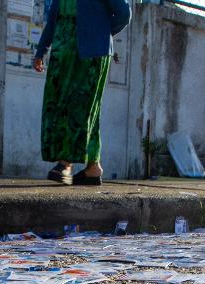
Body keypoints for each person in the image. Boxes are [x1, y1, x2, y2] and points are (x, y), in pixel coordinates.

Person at [34, 0, 132, 186]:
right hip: (62, 54)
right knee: (58, 105)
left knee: (81, 105)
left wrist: (100, 32)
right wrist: (41, 51)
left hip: (91, 53)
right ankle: (93, 167)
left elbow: (123, 13)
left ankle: (66, 163)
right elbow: (54, 19)